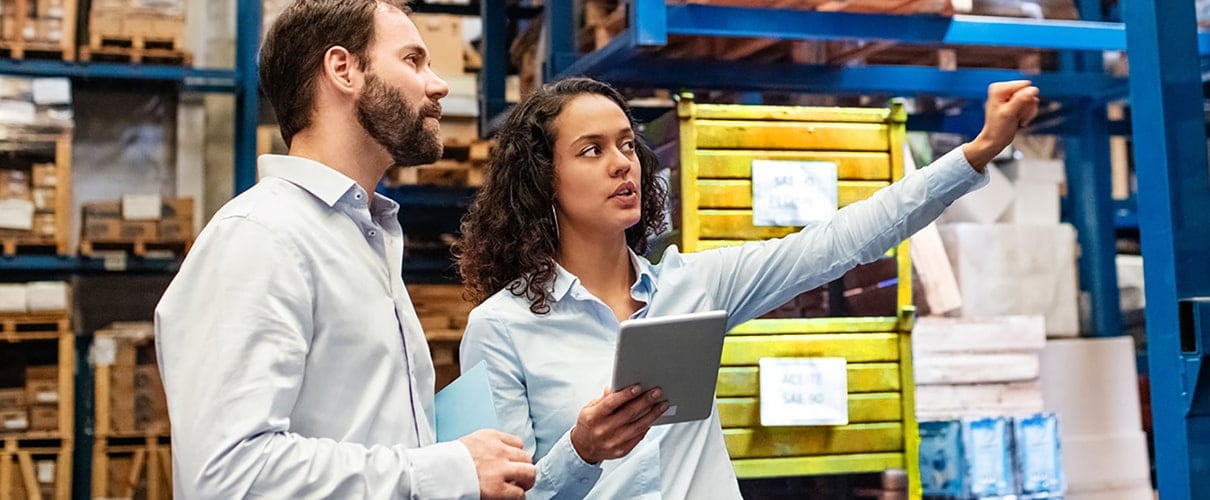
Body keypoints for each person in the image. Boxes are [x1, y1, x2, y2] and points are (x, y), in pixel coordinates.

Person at [455, 77, 1039, 498]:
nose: (622, 164)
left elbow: (839, 242)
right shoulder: (501, 328)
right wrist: (582, 452)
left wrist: (976, 152)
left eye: (628, 144)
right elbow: (500, 494)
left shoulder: (695, 286)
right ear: (542, 179)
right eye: (592, 150)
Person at [154, 1, 535, 498]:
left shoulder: (363, 237)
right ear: (343, 70)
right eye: (413, 61)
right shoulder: (260, 236)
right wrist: (445, 471)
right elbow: (228, 474)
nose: (438, 85)